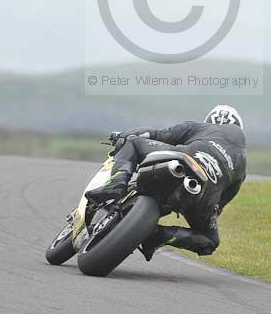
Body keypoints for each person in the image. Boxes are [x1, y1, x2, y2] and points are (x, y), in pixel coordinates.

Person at [88, 104, 246, 260]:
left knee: (133, 143)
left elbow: (156, 134)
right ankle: (158, 235)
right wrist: (206, 210)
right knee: (210, 241)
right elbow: (222, 202)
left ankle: (116, 185)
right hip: (203, 194)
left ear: (210, 120)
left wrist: (123, 135)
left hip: (184, 161)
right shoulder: (242, 164)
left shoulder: (201, 127)